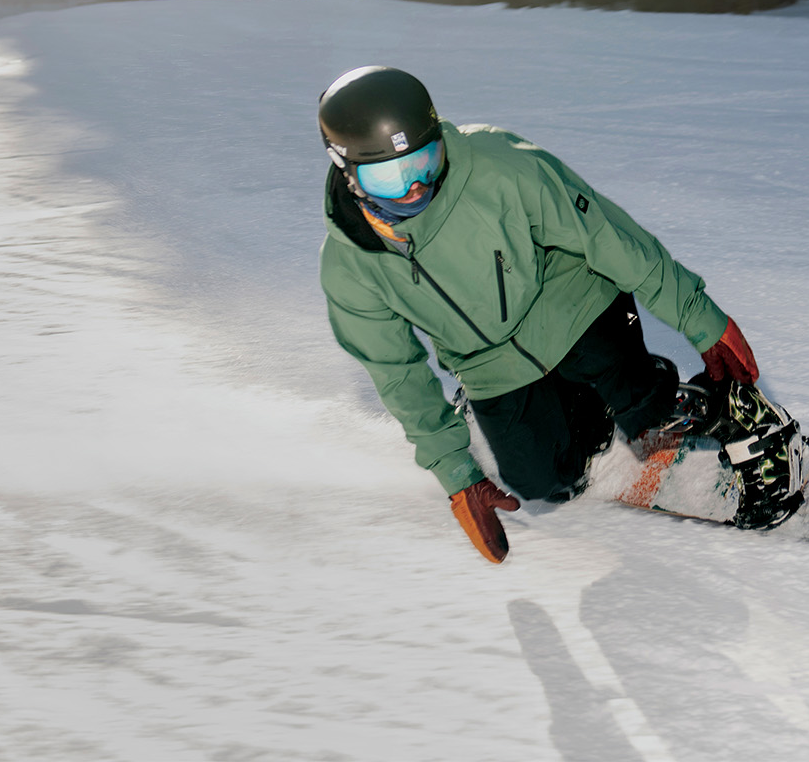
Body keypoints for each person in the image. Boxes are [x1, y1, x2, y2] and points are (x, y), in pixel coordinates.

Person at [317, 65, 761, 564]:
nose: (416, 188)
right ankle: (588, 414)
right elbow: (397, 373)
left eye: (425, 162)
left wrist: (700, 318)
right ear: (347, 171)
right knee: (544, 482)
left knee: (642, 406)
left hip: (571, 299)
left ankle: (680, 403)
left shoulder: (501, 166)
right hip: (489, 362)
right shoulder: (349, 269)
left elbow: (608, 236)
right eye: (389, 176)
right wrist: (457, 474)